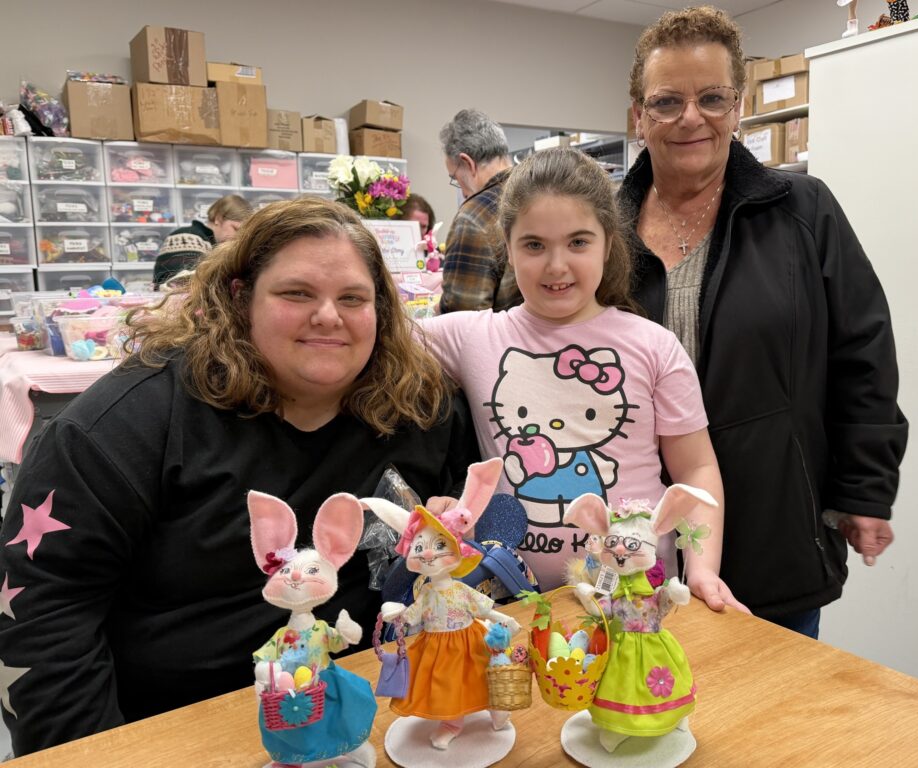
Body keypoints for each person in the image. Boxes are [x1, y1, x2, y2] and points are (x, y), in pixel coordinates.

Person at [0, 197, 479, 756]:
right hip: (179, 729)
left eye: (353, 298)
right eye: (296, 293)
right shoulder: (124, 426)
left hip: (373, 709)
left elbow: (458, 534)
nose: (329, 315)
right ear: (239, 297)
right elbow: (46, 617)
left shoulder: (419, 410)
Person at [620, 7, 908, 637]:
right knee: (629, 721)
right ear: (637, 115)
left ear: (739, 105)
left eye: (713, 97)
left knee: (773, 727)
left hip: (772, 531)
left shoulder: (802, 213)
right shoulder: (598, 235)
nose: (692, 117)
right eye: (668, 101)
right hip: (626, 549)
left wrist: (864, 489)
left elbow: (862, 355)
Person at [419, 147, 746, 615]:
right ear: (507, 247)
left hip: (637, 599)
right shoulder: (474, 336)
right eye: (534, 245)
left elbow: (695, 469)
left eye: (578, 242)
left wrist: (702, 570)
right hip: (515, 606)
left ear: (608, 243)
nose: (556, 266)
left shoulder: (654, 346)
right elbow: (372, 337)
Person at [437, 109, 521, 313]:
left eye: (455, 178)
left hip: (503, 343)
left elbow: (462, 317)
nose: (464, 193)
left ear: (468, 163)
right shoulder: (543, 192)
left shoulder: (474, 217)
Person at [152, 193, 254, 287]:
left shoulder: (215, 244)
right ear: (218, 219)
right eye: (236, 229)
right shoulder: (188, 237)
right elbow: (183, 284)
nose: (238, 237)